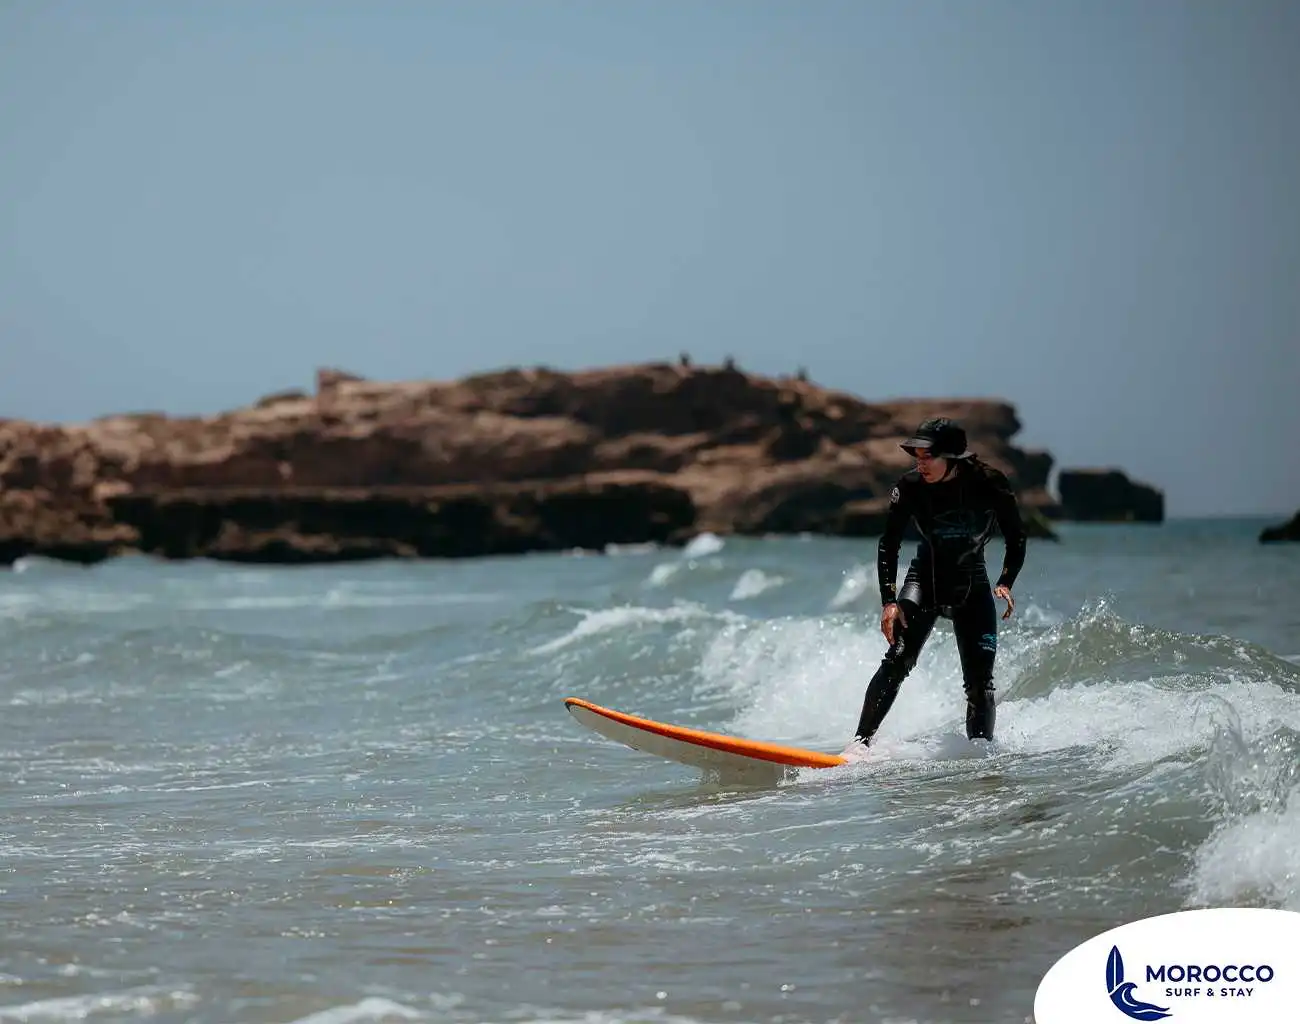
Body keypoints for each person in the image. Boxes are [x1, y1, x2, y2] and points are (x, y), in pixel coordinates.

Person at [852, 417, 1028, 748]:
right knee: (897, 661)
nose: (920, 464)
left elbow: (1016, 536)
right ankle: (859, 745)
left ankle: (979, 756)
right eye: (916, 456)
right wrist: (889, 602)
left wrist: (1006, 580)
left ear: (952, 457)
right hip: (924, 579)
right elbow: (888, 543)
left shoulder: (989, 482)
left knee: (980, 685)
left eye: (927, 456)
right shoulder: (909, 487)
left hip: (972, 582)